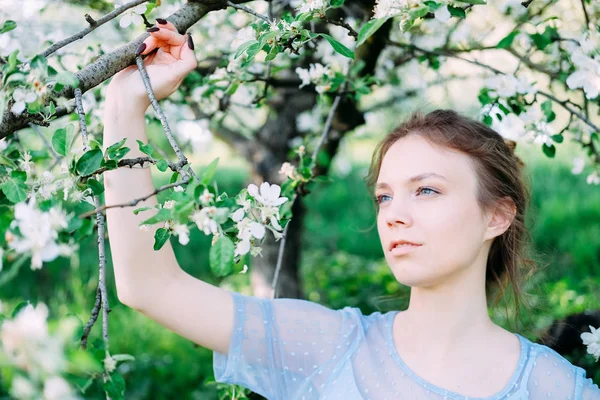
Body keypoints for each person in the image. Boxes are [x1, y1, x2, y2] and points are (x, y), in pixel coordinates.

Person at [103, 20, 600, 400]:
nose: (394, 214)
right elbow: (151, 286)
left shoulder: (554, 387)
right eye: (385, 196)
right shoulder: (325, 346)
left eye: (426, 190)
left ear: (497, 215)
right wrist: (125, 106)